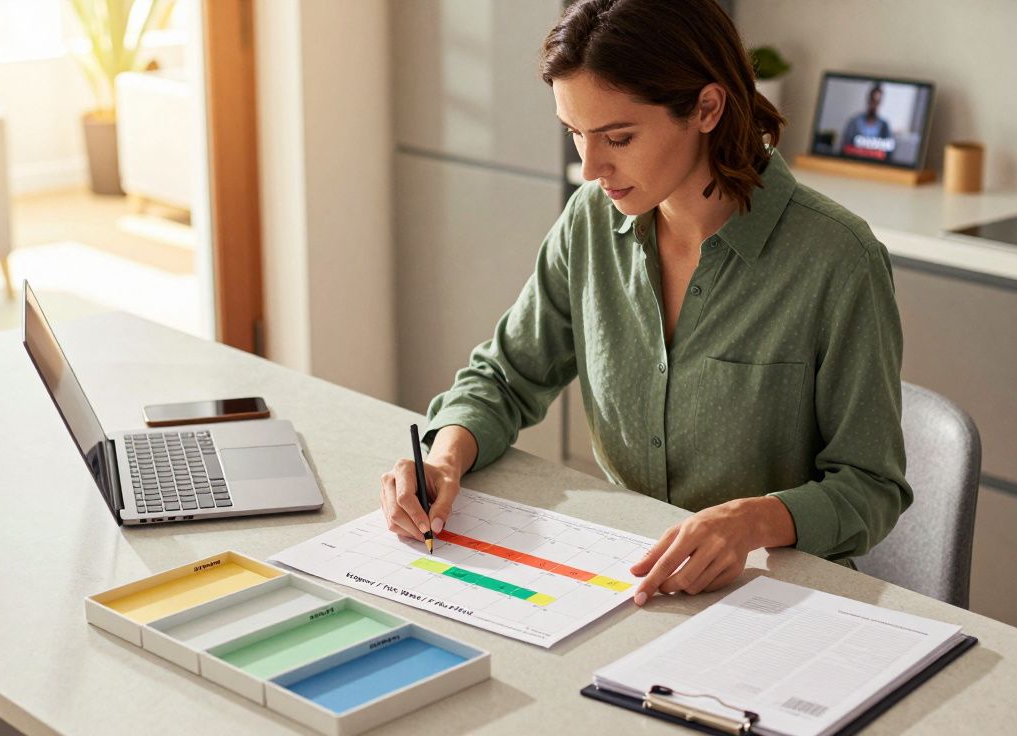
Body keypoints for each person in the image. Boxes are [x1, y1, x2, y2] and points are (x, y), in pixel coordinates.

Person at [379, 0, 911, 605]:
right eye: (576, 134)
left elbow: (871, 488)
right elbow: (504, 377)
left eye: (619, 137)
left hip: (778, 598)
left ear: (706, 109)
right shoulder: (590, 223)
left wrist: (749, 520)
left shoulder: (836, 258)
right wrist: (444, 459)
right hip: (630, 582)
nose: (589, 168)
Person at [841, 83, 893, 160]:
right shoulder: (854, 121)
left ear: (880, 103)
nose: (874, 105)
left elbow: (888, 153)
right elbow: (845, 147)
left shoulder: (884, 125)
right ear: (868, 100)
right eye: (872, 100)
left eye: (877, 102)